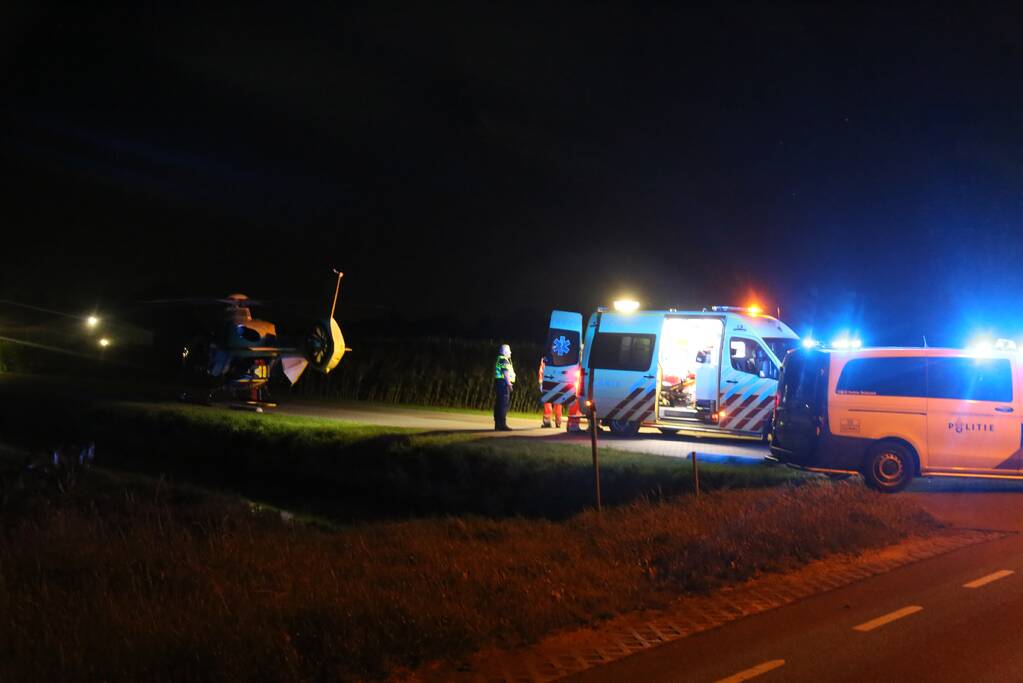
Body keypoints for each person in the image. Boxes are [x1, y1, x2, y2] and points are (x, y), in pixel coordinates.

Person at [494, 343, 516, 431]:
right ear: (505, 351)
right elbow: (505, 373)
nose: (510, 353)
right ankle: (502, 424)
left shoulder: (500, 359)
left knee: (499, 404)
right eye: (509, 351)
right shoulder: (504, 360)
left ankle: (498, 424)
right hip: (503, 384)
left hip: (500, 383)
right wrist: (509, 384)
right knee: (503, 405)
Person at [538, 355, 562, 428]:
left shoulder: (546, 358)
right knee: (556, 403)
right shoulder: (561, 356)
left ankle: (548, 421)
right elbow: (541, 371)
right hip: (556, 382)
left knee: (550, 403)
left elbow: (541, 371)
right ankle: (557, 422)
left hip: (549, 382)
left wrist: (541, 383)